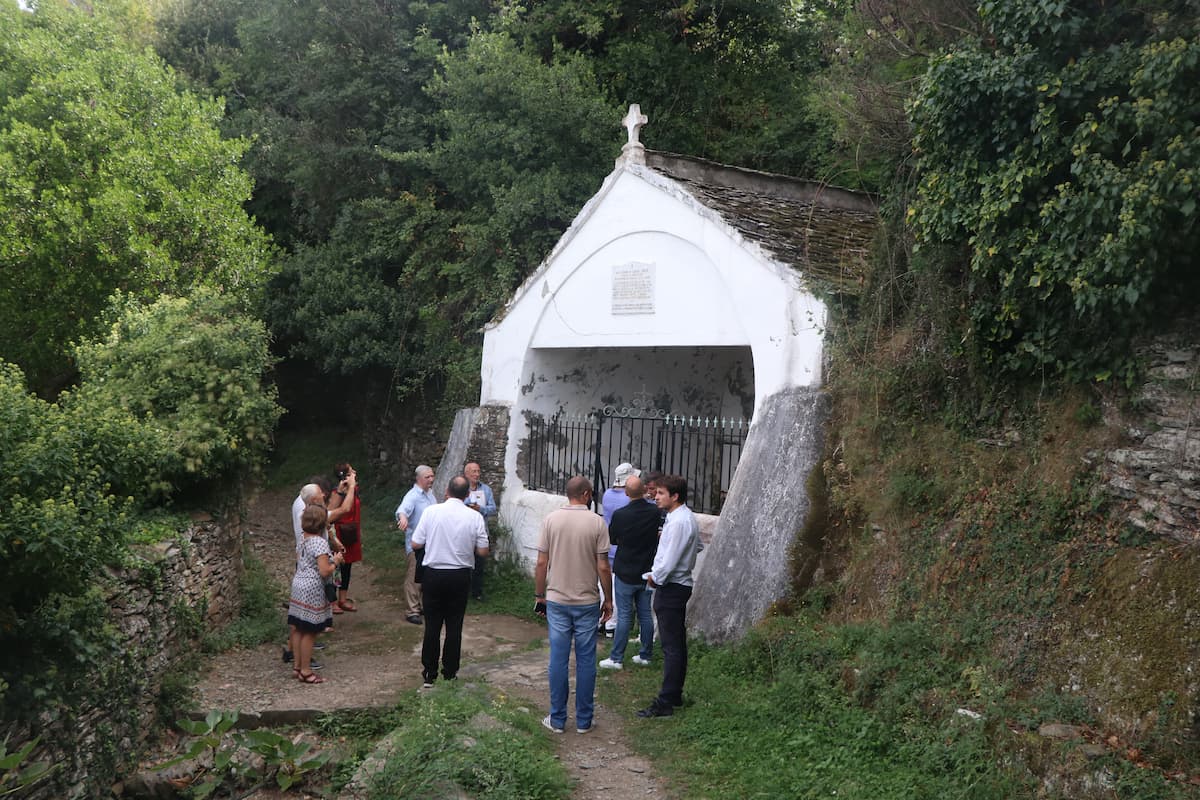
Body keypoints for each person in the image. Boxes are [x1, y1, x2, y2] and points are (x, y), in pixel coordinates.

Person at [534, 476, 612, 735]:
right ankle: (584, 720)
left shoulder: (551, 520)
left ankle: (557, 719)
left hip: (557, 599)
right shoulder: (597, 522)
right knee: (586, 659)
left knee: (558, 658)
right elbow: (603, 565)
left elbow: (541, 563)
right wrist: (609, 599)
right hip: (587, 600)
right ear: (587, 494)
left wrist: (539, 594)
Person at [411, 476, 490, 687]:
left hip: (434, 574)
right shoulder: (474, 517)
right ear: (467, 495)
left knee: (432, 625)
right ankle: (450, 672)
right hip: (460, 575)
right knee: (455, 625)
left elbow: (416, 542)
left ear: (447, 491)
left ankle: (429, 673)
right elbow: (483, 550)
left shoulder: (431, 512)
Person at [637, 474, 699, 718]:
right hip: (675, 584)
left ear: (675, 496)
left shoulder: (680, 522)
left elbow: (670, 560)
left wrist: (655, 577)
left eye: (661, 493)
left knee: (671, 646)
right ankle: (673, 695)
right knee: (675, 644)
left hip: (672, 586)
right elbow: (697, 546)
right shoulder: (680, 518)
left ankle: (666, 701)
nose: (656, 496)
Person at [598, 475, 659, 670]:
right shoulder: (654, 512)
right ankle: (646, 654)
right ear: (644, 491)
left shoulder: (621, 514)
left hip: (625, 569)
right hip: (646, 569)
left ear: (626, 492)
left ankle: (616, 658)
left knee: (624, 615)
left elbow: (613, 539)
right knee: (645, 614)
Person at [288, 503, 344, 684]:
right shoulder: (319, 543)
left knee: (297, 627)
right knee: (310, 631)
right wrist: (335, 561)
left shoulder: (302, 539)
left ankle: (297, 667)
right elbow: (324, 571)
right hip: (312, 589)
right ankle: (306, 670)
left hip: (298, 584)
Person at [598, 462, 639, 634]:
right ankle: (612, 624)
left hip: (608, 544)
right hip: (623, 547)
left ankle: (602, 619)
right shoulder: (628, 499)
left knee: (604, 585)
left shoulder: (607, 494)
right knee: (617, 588)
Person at [396, 465, 436, 625]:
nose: (431, 480)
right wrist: (403, 518)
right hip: (416, 544)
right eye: (428, 477)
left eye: (432, 476)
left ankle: (421, 606)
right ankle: (412, 610)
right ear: (419, 479)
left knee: (426, 576)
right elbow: (402, 510)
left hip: (431, 543)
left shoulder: (430, 494)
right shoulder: (412, 496)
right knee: (414, 577)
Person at [330, 462, 363, 613]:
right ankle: (332, 601)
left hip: (352, 531)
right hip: (339, 531)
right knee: (335, 566)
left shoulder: (355, 490)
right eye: (352, 471)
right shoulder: (339, 492)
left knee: (347, 565)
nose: (355, 472)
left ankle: (343, 598)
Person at [463, 461, 496, 602]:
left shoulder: (486, 489)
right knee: (463, 563)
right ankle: (462, 592)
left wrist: (480, 509)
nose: (477, 474)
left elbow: (493, 508)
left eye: (478, 471)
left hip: (481, 531)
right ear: (466, 474)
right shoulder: (460, 488)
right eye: (473, 472)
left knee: (479, 563)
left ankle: (477, 592)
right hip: (464, 532)